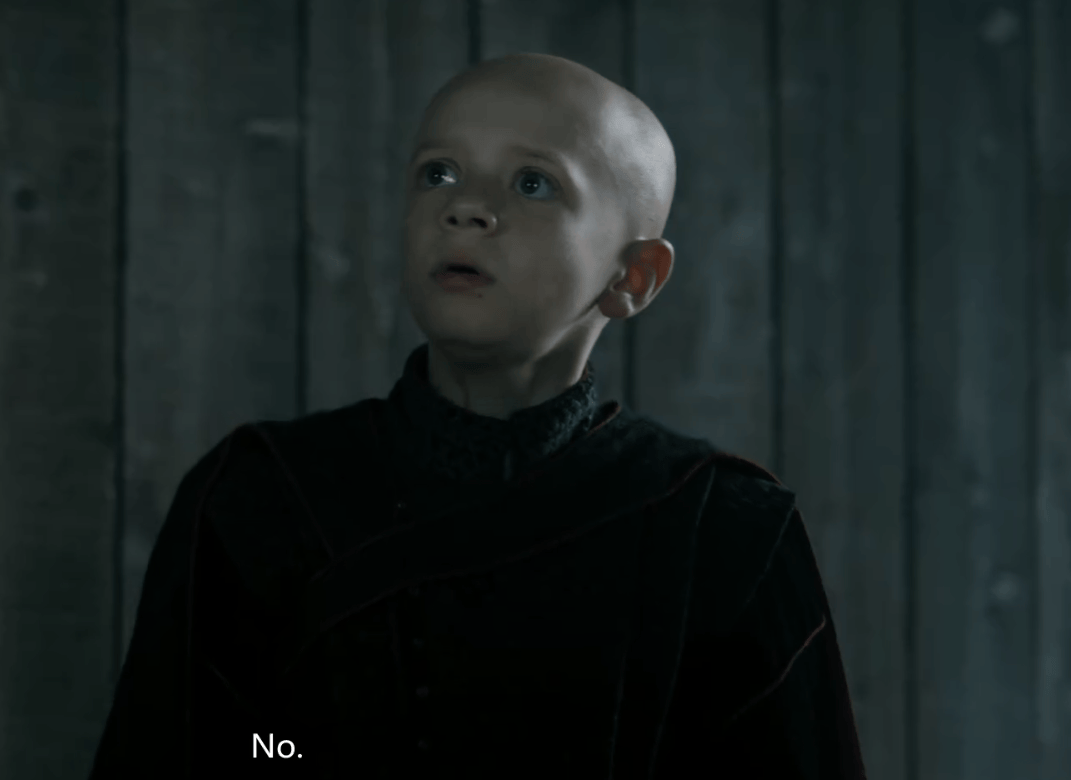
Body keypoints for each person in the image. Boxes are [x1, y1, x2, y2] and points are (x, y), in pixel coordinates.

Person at [89, 53, 867, 779]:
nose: (464, 207)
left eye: (533, 183)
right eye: (439, 173)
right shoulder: (259, 497)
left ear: (633, 276)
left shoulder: (727, 529)